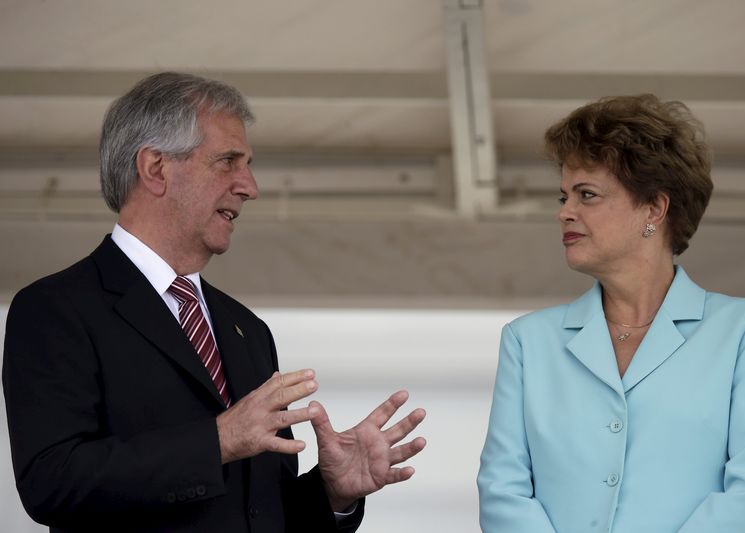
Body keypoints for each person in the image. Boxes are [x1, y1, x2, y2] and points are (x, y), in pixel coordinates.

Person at [3, 72, 427, 533]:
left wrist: (333, 492)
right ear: (155, 169)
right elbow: (52, 482)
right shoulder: (55, 310)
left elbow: (262, 512)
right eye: (228, 161)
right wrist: (218, 440)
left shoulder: (246, 328)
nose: (250, 186)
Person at [477, 94, 745, 532]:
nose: (565, 212)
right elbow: (502, 490)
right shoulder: (528, 341)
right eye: (565, 196)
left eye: (587, 195)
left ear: (654, 209)